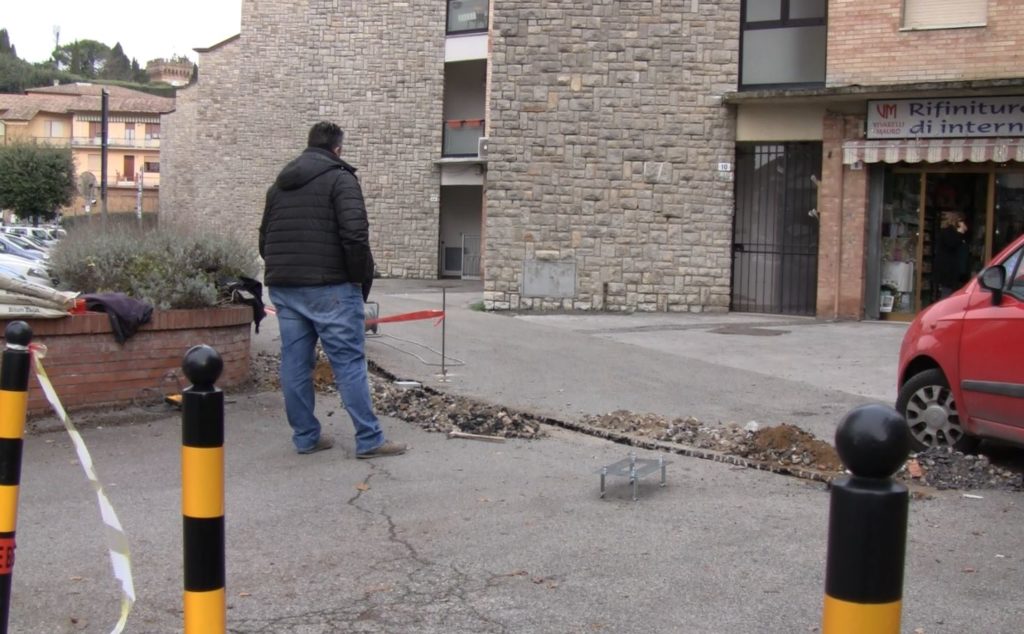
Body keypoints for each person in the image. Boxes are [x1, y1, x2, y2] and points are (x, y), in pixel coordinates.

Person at [259, 121, 407, 458]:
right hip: (331, 288)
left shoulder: (278, 187)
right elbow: (355, 236)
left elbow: (264, 238)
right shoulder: (341, 179)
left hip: (285, 286)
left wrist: (285, 270)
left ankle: (306, 437)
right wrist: (358, 281)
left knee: (296, 363)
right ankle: (369, 440)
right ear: (337, 149)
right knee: (349, 363)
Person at [935, 210, 969, 299]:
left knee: (951, 291)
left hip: (952, 269)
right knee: (947, 292)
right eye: (961, 221)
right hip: (948, 269)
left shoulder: (950, 232)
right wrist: (960, 233)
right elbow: (952, 244)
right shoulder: (948, 232)